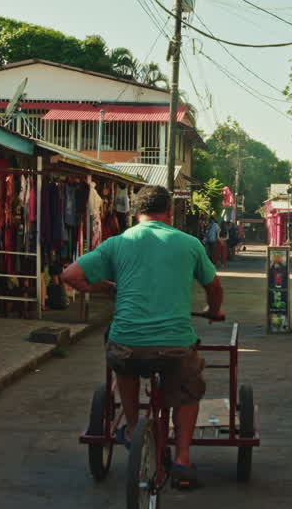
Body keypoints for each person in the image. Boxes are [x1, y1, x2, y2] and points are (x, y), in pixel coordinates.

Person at [62, 187, 224, 490]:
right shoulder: (188, 244)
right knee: (188, 390)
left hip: (128, 342)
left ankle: (134, 425)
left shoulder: (117, 243)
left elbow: (71, 276)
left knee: (124, 361)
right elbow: (214, 287)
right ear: (169, 212)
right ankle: (183, 460)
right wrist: (214, 311)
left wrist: (108, 286)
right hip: (175, 345)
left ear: (136, 212)